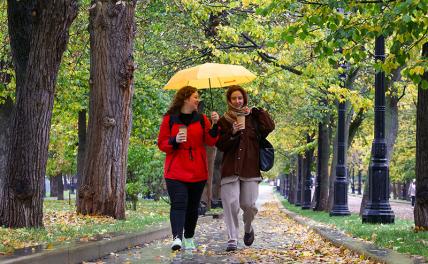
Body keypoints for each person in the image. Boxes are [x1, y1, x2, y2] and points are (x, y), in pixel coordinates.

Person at [157, 86, 219, 251]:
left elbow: (211, 141)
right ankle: (177, 237)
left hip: (197, 171)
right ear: (185, 99)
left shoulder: (201, 119)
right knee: (178, 203)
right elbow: (162, 144)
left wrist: (214, 125)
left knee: (192, 207)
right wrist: (175, 140)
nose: (197, 100)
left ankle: (189, 236)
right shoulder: (170, 119)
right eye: (195, 97)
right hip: (175, 171)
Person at [216, 85, 275, 251]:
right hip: (230, 169)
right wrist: (232, 132)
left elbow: (270, 126)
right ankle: (232, 238)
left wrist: (255, 112)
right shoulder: (223, 120)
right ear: (229, 100)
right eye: (234, 98)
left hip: (250, 170)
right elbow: (220, 145)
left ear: (244, 100)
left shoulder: (253, 119)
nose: (237, 101)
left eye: (240, 98)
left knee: (248, 205)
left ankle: (248, 228)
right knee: (230, 204)